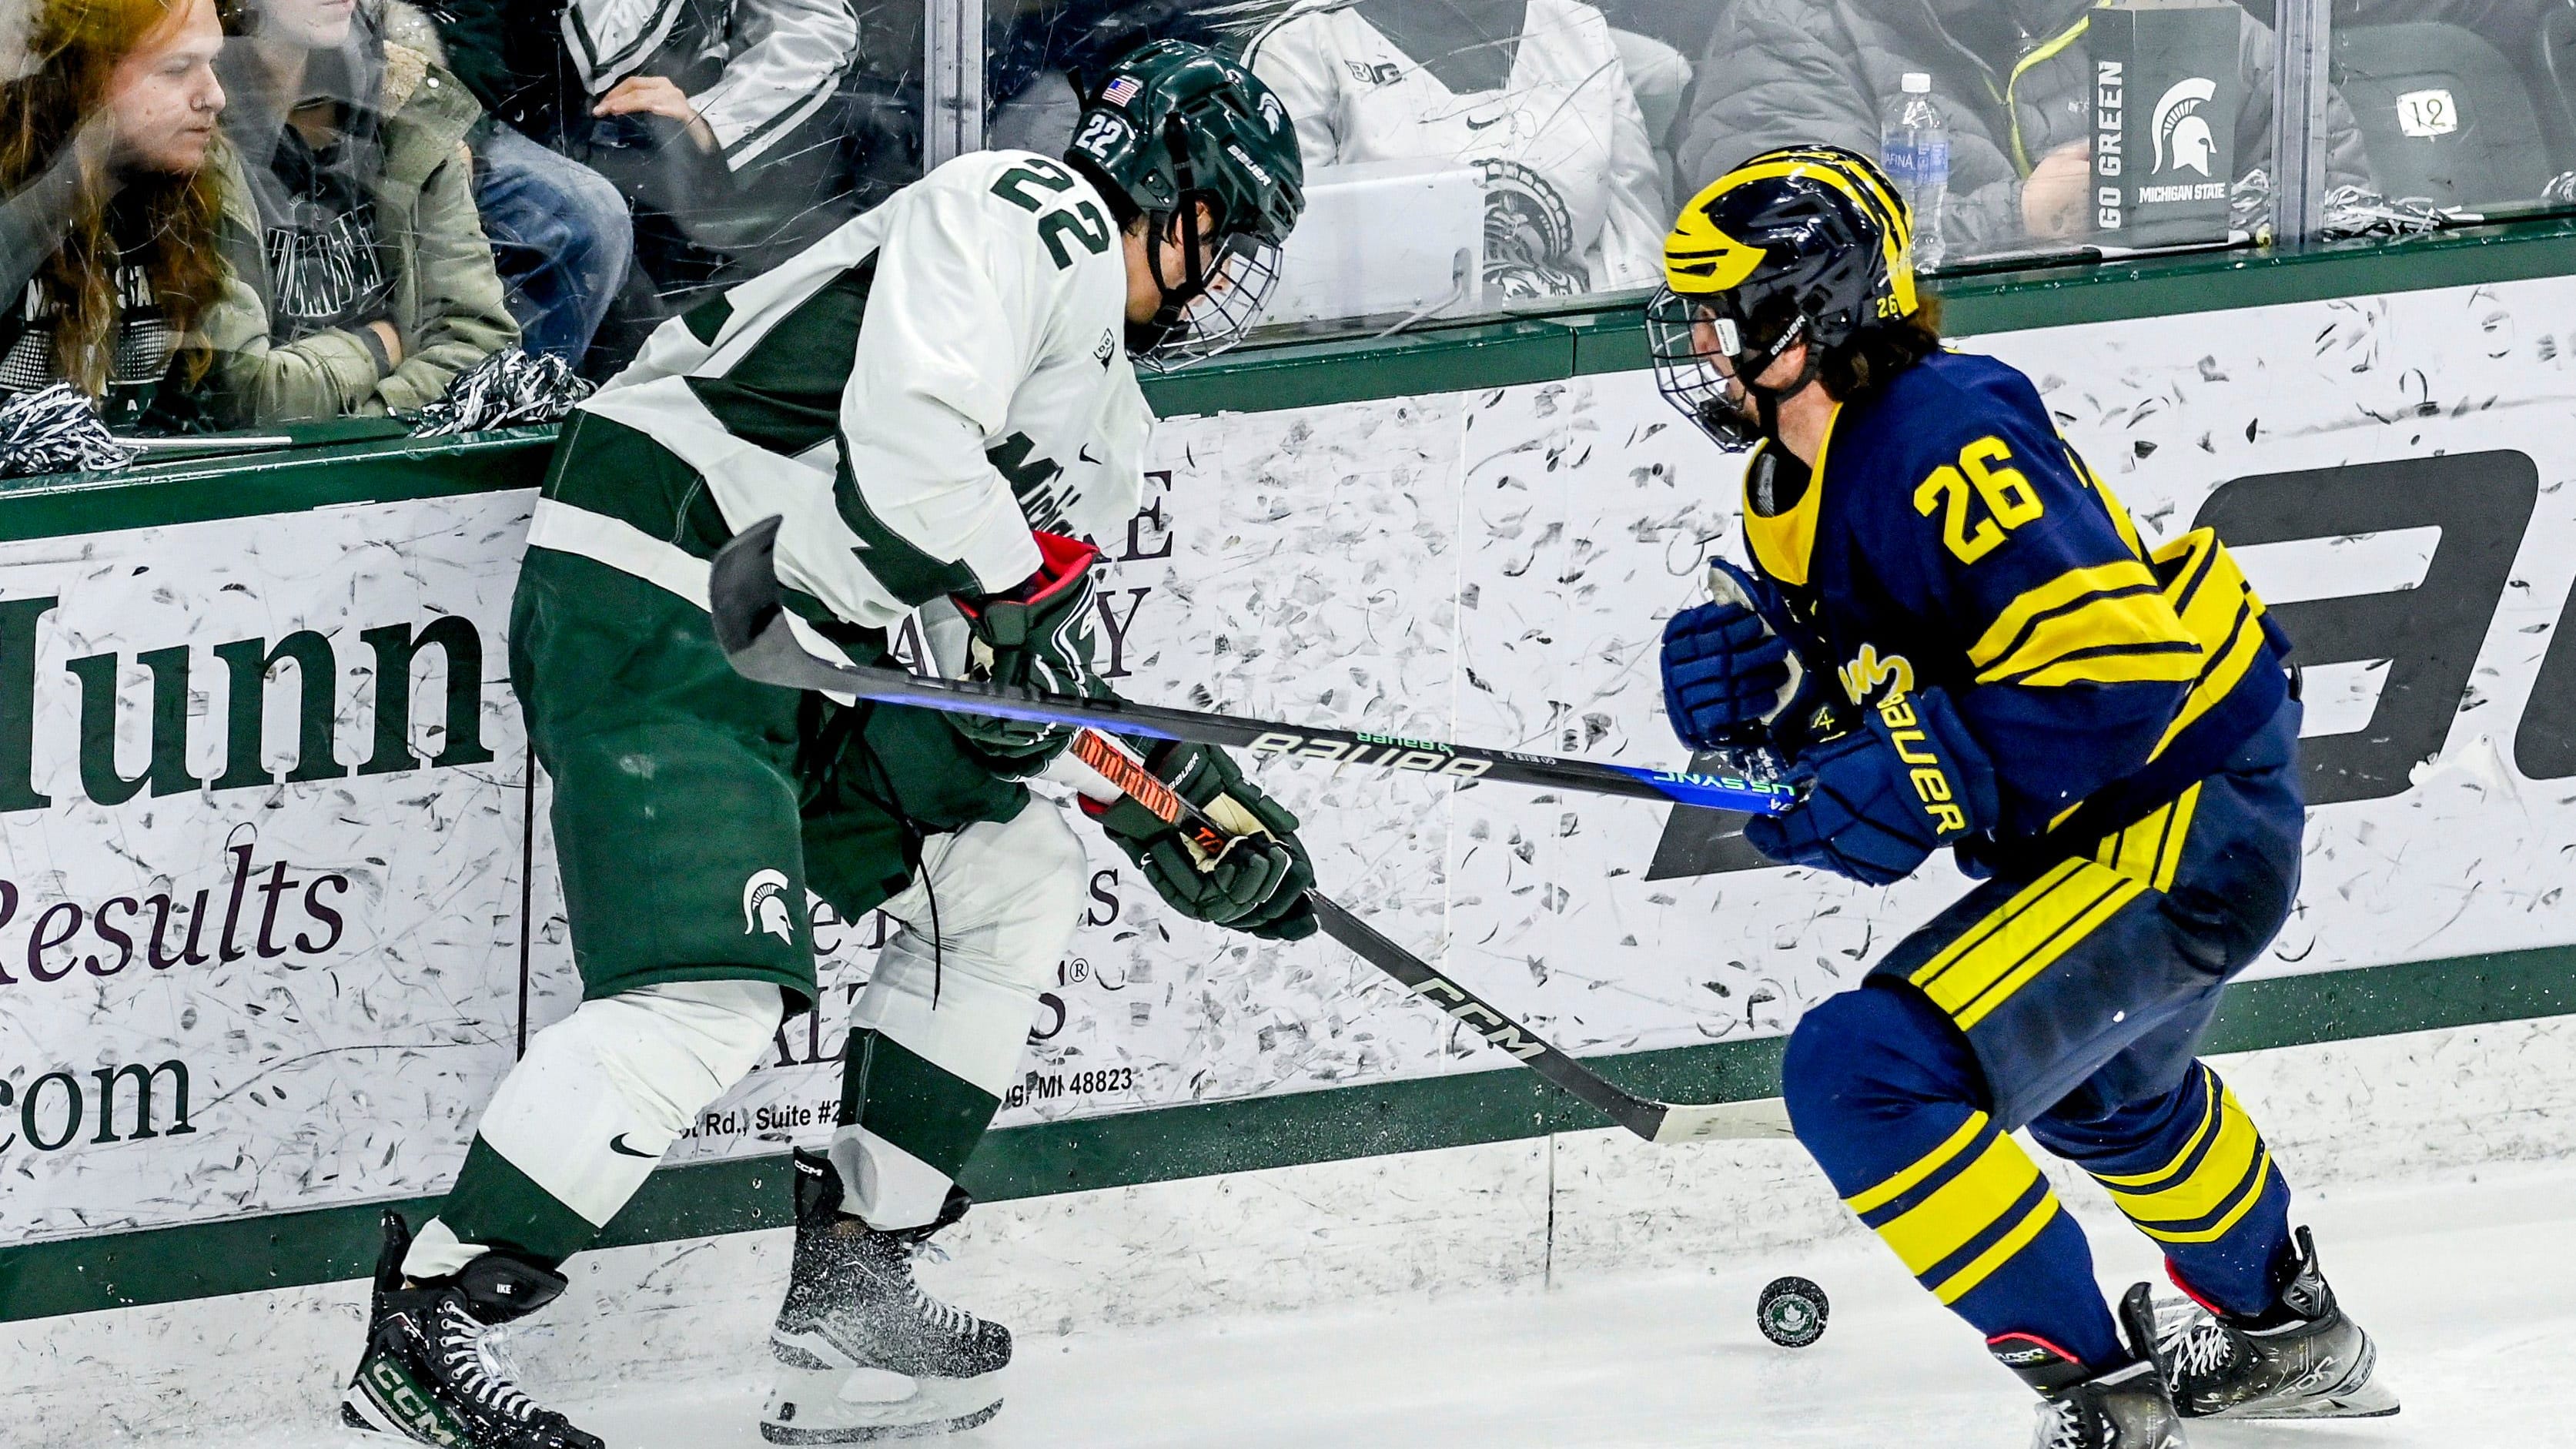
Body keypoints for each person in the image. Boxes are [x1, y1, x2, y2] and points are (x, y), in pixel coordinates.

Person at [338, 39, 1310, 1449]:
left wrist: (1166, 800)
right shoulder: (1031, 211)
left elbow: (1006, 688)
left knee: (1010, 859)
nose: (1224, 278)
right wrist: (1026, 614)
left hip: (800, 660)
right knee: (710, 995)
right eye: (1226, 239)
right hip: (663, 579)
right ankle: (427, 1326)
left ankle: (858, 1285)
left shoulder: (1107, 413)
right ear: (1176, 197)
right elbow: (911, 453)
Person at [1646, 147, 2395, 1446]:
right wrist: (1776, 718)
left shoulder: (1944, 428)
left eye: (1730, 315)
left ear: (1815, 309)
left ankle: (2107, 1400)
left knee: (1861, 1071)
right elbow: (1910, 707)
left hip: (2184, 809)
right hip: (2146, 818)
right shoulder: (1785, 489)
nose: (1704, 345)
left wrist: (1912, 767)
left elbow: (2116, 674)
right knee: (2114, 1096)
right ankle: (2296, 1335)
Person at [1673, 0, 2370, 259]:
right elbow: (1792, 263)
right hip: (1925, 413)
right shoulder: (1786, 28)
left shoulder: (2161, 10)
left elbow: (2334, 201)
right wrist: (2021, 220)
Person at [199, 0, 517, 421]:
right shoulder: (190, 130)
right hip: (258, 476)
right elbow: (247, 395)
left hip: (401, 464)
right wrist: (380, 345)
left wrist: (374, 420)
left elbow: (480, 344)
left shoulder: (406, 102)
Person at [1247, 0, 1664, 301]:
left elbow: (1640, 250)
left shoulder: (1581, 32)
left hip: (1582, 375)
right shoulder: (1301, 48)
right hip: (1399, 383)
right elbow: (1296, 288)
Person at [0, 0, 228, 427]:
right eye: (178, 68)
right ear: (88, 75)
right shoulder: (15, 189)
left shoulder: (181, 193)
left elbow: (197, 409)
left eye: (212, 62)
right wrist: (65, 182)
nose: (215, 96)